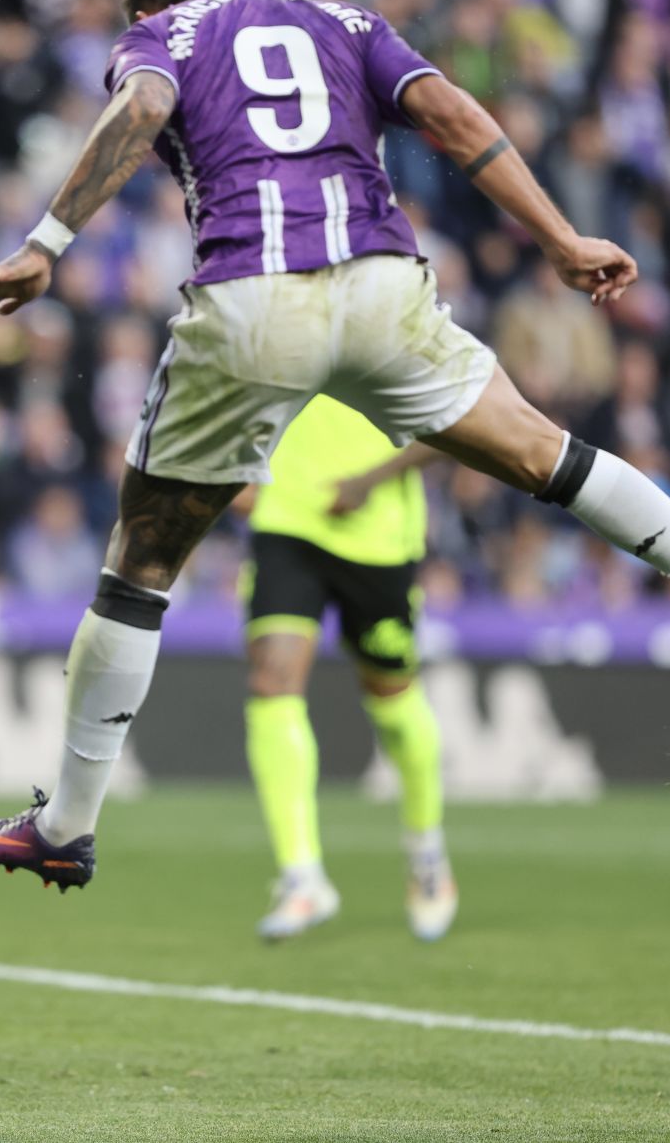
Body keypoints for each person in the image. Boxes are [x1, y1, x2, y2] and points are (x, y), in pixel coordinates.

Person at [0, 0, 670, 894]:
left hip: (255, 297)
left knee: (139, 566)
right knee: (552, 455)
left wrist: (45, 243)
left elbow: (141, 108)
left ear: (150, 4)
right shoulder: (345, 21)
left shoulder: (160, 32)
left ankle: (67, 824)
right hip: (383, 284)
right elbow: (449, 113)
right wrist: (558, 238)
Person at [238, 396, 454, 941]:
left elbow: (452, 423)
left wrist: (372, 479)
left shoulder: (402, 321)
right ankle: (301, 876)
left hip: (376, 534)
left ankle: (426, 852)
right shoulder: (278, 319)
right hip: (286, 519)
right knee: (271, 681)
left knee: (393, 701)